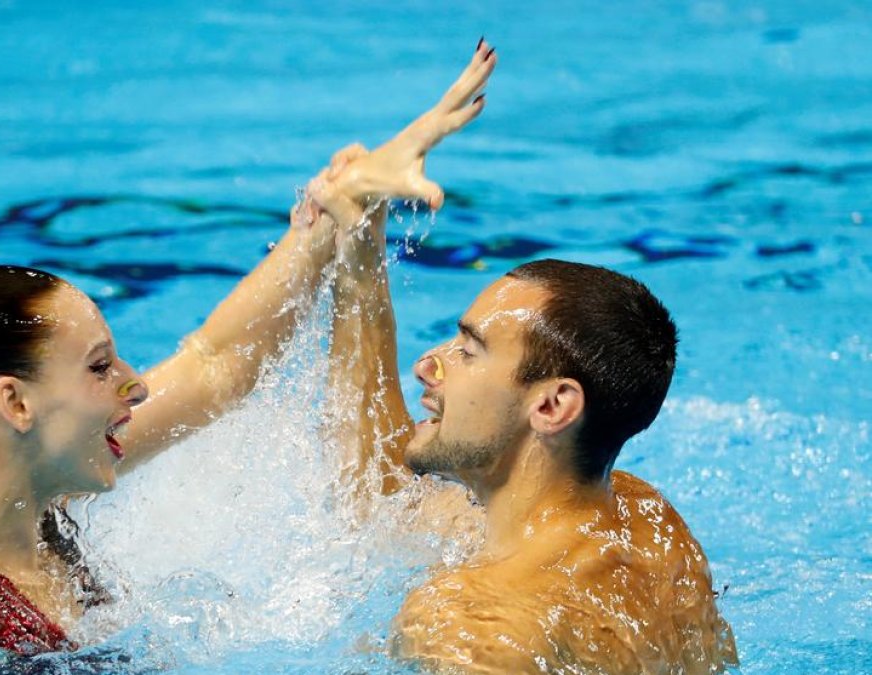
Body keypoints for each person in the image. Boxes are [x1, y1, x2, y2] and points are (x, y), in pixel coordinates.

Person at [0, 43, 499, 673]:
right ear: (15, 401)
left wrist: (338, 209)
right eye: (100, 367)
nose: (134, 383)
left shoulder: (24, 480)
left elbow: (216, 361)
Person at [307, 57, 740, 671]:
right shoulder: (650, 527)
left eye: (468, 350)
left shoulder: (465, 623)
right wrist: (358, 244)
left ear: (552, 405)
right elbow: (381, 498)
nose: (429, 367)